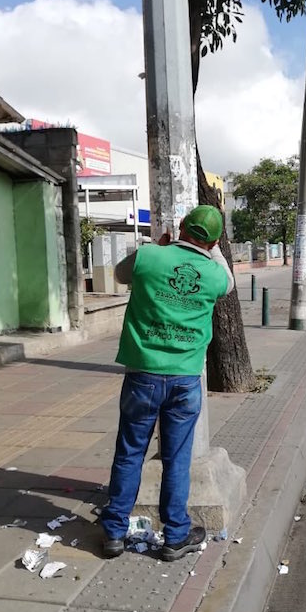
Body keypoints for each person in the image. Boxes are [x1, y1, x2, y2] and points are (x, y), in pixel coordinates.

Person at [99, 205, 234, 562]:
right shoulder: (214, 274)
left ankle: (114, 532)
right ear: (216, 241)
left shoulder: (149, 256)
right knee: (177, 460)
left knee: (129, 453)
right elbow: (229, 281)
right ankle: (175, 536)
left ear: (180, 227)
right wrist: (214, 250)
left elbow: (119, 274)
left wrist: (160, 247)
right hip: (185, 381)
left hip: (141, 376)